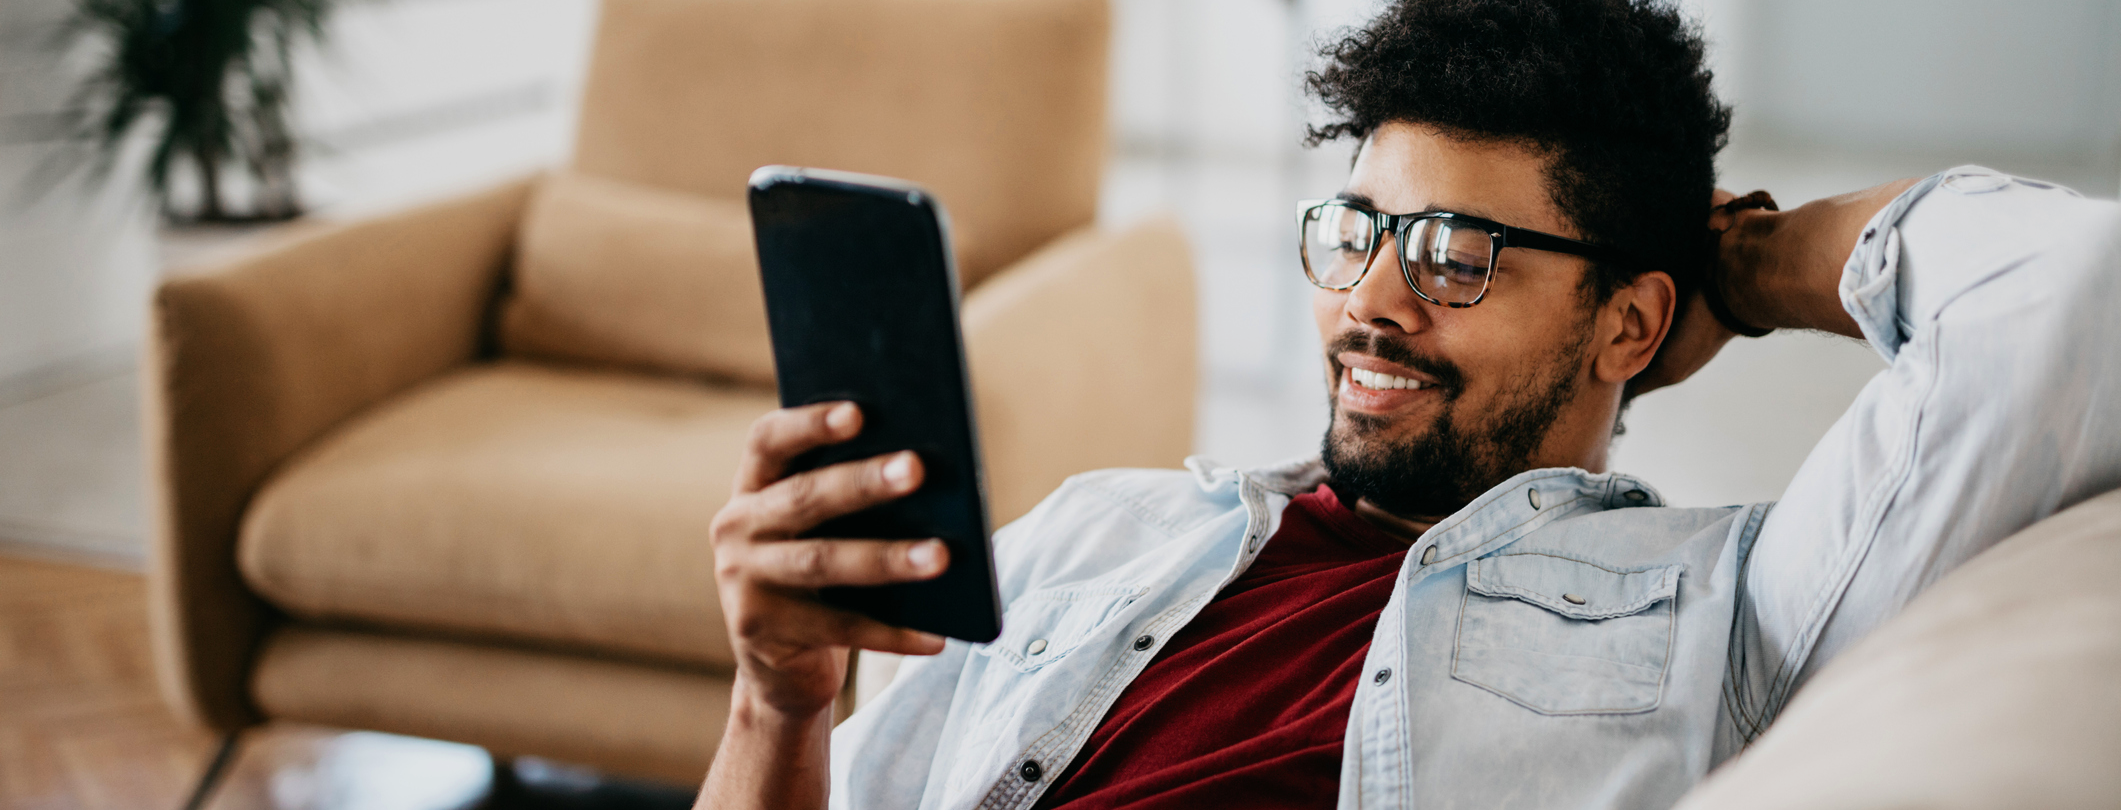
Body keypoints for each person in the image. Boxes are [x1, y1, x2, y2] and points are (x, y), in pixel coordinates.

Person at [697, 1, 2121, 808]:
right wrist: (777, 706)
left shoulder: (1728, 609)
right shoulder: (1097, 537)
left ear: (1628, 320)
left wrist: (1736, 263)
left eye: (1456, 254)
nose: (1373, 300)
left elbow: (2071, 293)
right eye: (1356, 231)